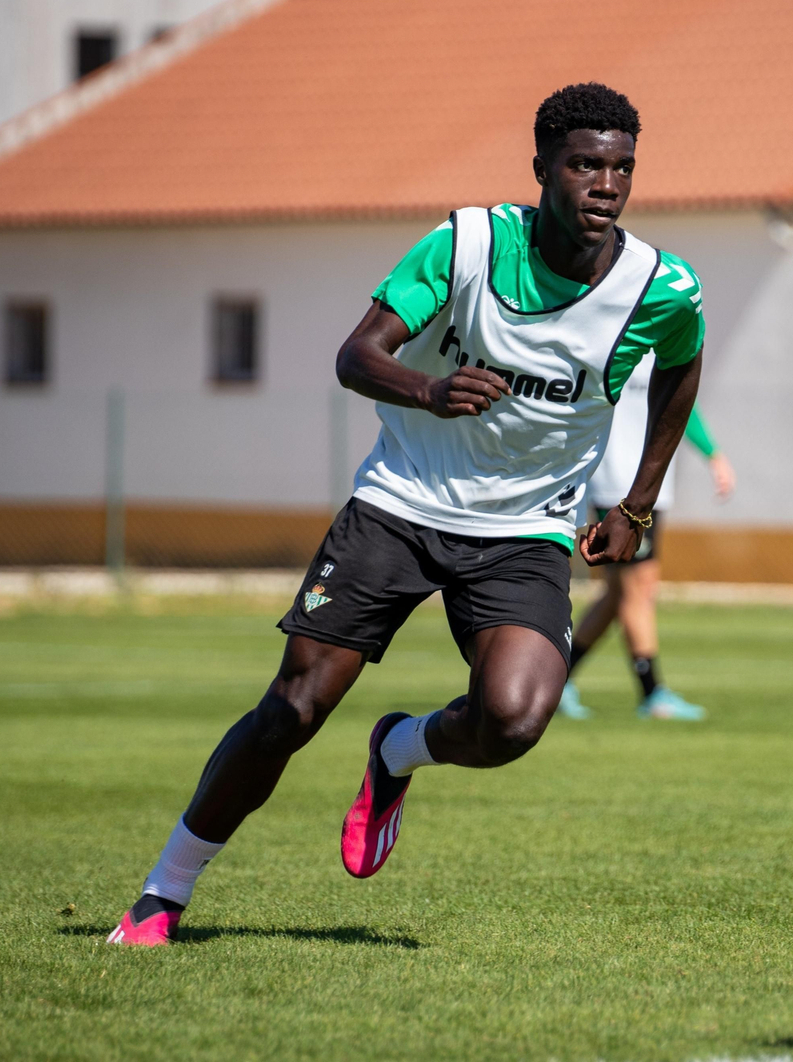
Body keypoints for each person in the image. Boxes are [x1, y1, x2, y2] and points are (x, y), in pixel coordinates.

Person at [109, 82, 706, 945]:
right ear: (541, 167)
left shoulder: (661, 286)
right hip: (400, 503)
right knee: (297, 705)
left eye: (620, 168)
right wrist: (428, 389)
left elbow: (682, 368)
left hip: (525, 527)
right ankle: (164, 892)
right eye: (583, 164)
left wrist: (638, 504)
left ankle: (400, 749)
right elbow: (358, 355)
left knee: (515, 719)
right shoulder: (466, 245)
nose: (604, 184)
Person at [558, 367, 734, 721]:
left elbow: (681, 402)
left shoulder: (665, 337)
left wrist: (712, 454)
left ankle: (557, 678)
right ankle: (653, 693)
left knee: (620, 594)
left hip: (650, 487)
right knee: (638, 590)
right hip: (615, 487)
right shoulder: (609, 331)